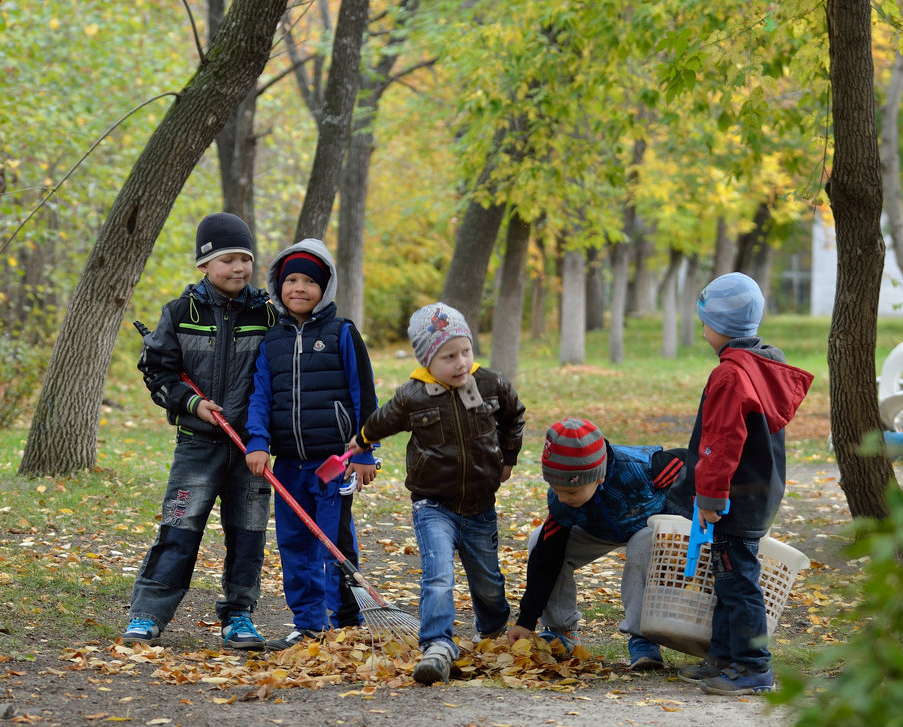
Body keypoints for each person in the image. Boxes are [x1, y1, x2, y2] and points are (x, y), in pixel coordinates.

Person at [346, 302, 525, 685]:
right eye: (448, 356)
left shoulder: (491, 384)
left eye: (466, 351)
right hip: (433, 505)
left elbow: (514, 415)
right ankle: (437, 645)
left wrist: (508, 458)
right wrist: (361, 441)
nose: (461, 363)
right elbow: (383, 419)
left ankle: (491, 630)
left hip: (479, 507)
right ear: (428, 359)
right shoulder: (414, 395)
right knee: (438, 576)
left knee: (489, 585)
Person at [124, 212, 276, 650]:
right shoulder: (180, 313)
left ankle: (239, 616)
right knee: (179, 528)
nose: (238, 268)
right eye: (228, 259)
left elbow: (277, 377)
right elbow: (158, 371)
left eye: (245, 259)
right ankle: (148, 614)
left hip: (251, 448)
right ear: (204, 264)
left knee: (248, 535)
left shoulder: (267, 314)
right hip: (197, 445)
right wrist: (192, 403)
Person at [679, 273, 812, 695]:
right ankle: (722, 657)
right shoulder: (761, 364)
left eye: (704, 321)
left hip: (736, 497)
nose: (703, 329)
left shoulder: (730, 377)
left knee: (739, 581)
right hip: (759, 490)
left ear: (718, 326)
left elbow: (721, 442)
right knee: (727, 577)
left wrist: (710, 496)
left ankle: (754, 666)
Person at [244, 239, 379, 650]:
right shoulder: (272, 341)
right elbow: (261, 397)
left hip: (334, 461)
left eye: (309, 281)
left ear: (325, 288)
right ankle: (308, 623)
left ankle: (348, 620)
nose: (298, 288)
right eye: (291, 280)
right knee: (294, 544)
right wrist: (257, 442)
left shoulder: (342, 333)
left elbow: (364, 395)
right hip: (286, 465)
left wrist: (365, 451)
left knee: (334, 540)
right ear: (279, 286)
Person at [506, 418, 694, 671]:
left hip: (648, 527)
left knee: (642, 542)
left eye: (571, 492)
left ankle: (643, 640)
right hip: (599, 530)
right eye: (555, 488)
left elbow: (688, 464)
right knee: (539, 539)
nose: (562, 497)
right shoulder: (563, 501)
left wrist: (684, 517)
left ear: (598, 477)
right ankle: (562, 632)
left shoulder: (645, 469)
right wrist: (526, 621)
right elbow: (546, 560)